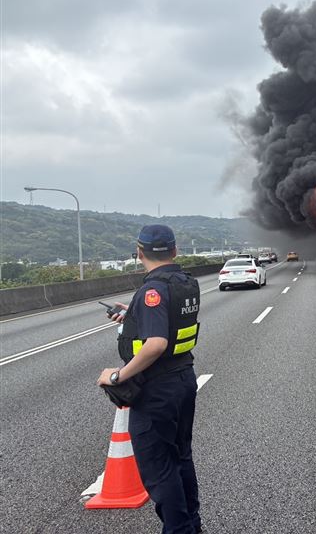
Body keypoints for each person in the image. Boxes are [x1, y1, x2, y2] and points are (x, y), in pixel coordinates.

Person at [97, 225, 202, 534]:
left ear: (139, 252)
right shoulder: (186, 283)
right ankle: (192, 525)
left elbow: (155, 343)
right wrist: (133, 312)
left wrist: (116, 376)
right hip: (183, 380)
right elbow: (169, 321)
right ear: (175, 251)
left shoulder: (152, 290)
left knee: (160, 469)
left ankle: (179, 530)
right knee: (181, 458)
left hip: (157, 390)